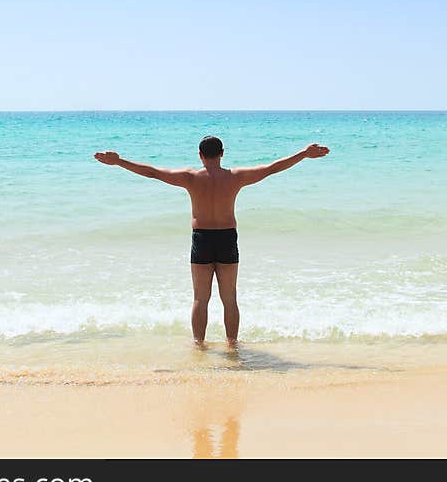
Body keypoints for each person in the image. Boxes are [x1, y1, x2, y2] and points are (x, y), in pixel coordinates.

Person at [93, 136, 330, 348]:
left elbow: (153, 172)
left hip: (202, 239)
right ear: (222, 153)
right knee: (229, 298)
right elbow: (271, 169)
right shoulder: (235, 177)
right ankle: (232, 345)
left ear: (200, 155)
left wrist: (120, 161)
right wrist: (304, 154)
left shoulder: (190, 178)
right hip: (227, 237)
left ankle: (199, 345)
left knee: (200, 298)